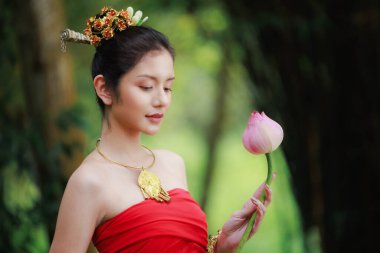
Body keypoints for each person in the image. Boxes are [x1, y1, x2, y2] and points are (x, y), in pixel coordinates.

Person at [52, 6, 273, 253]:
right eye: (146, 86)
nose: (162, 100)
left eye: (167, 88)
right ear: (104, 88)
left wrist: (221, 245)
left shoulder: (172, 164)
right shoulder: (88, 182)